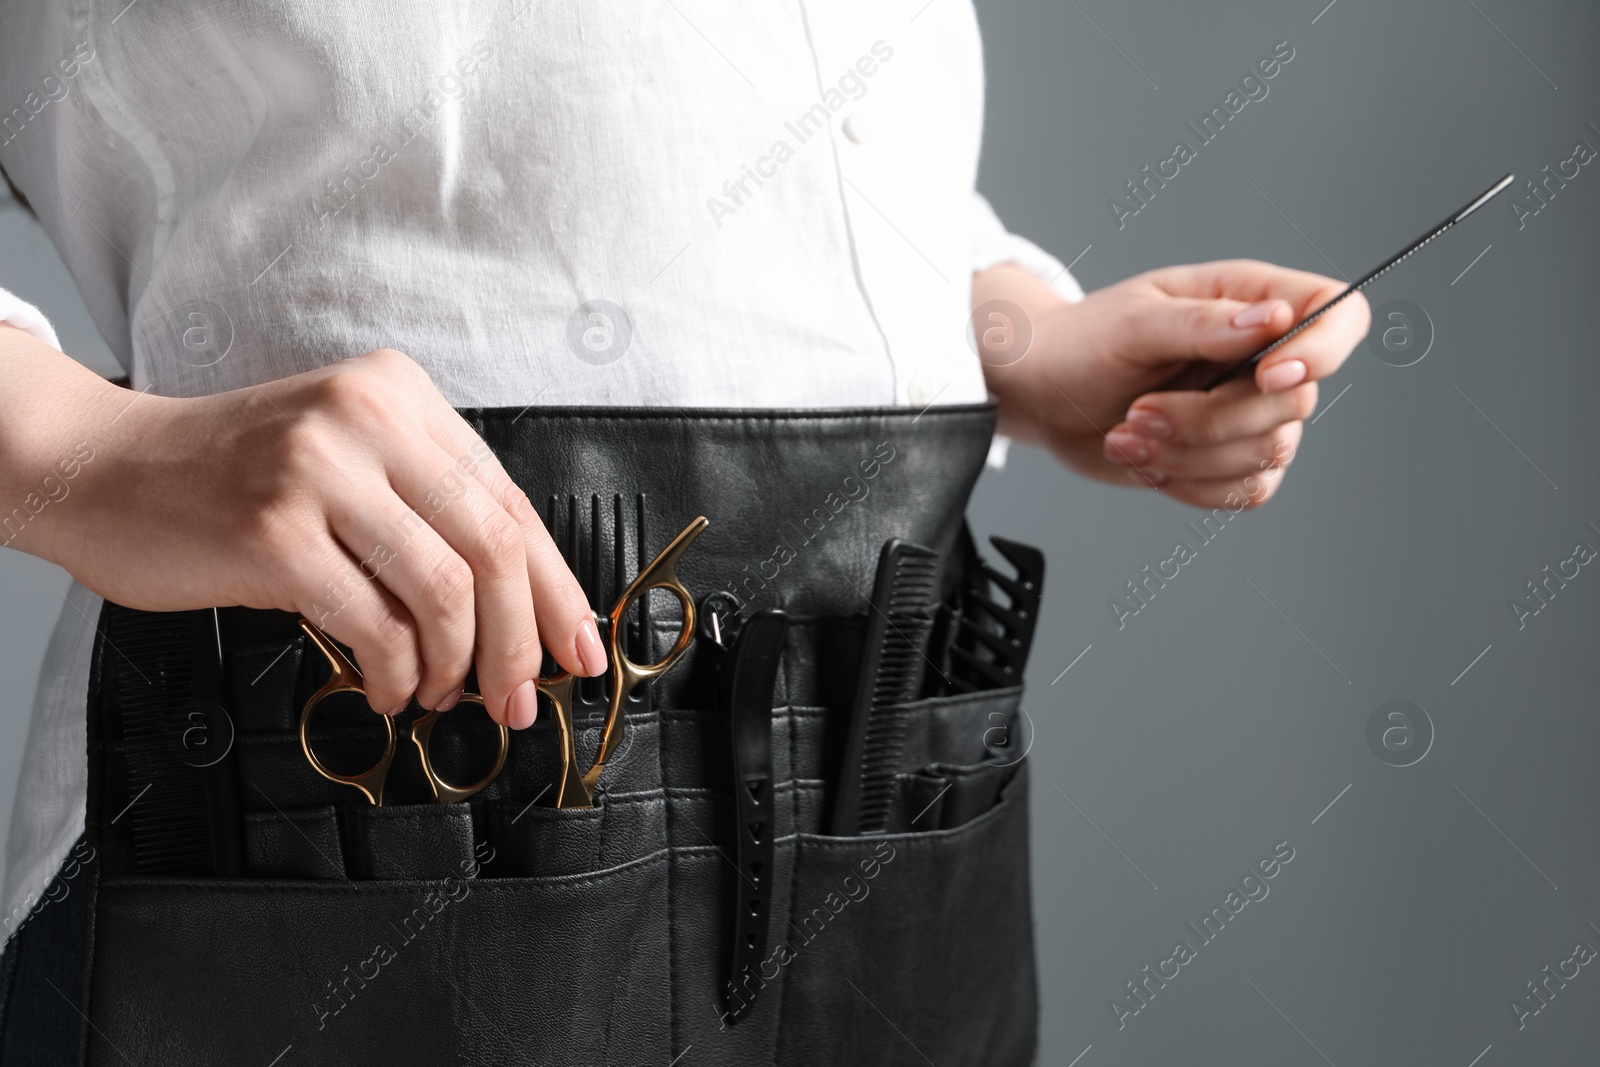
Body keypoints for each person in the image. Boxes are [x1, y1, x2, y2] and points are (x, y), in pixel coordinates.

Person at [0, 4, 1366, 1063]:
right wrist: (78, 456)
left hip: (892, 793)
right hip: (330, 785)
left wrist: (1018, 332)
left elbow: (757, 133)